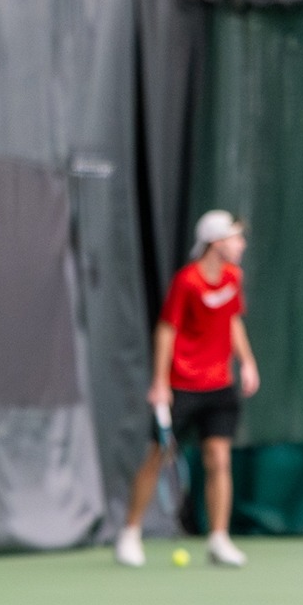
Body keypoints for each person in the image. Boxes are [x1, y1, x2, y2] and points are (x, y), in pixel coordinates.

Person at [116, 209, 259, 568]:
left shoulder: (233, 277)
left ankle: (218, 538)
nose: (241, 244)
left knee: (219, 459)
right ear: (216, 242)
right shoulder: (187, 282)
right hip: (183, 386)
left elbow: (233, 321)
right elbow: (167, 330)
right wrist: (161, 382)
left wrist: (248, 361)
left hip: (220, 386)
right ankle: (130, 532)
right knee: (157, 456)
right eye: (235, 238)